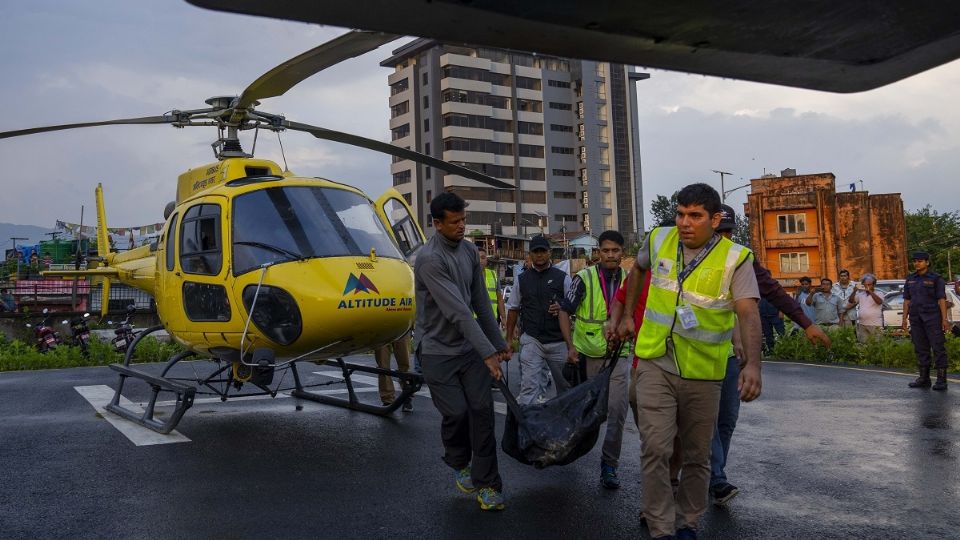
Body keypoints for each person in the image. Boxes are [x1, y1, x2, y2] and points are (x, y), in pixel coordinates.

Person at [616, 183, 763, 540]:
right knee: (656, 447)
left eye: (694, 216)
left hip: (703, 372)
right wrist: (625, 317)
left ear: (714, 220)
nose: (684, 222)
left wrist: (752, 366)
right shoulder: (659, 239)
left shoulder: (735, 258)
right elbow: (636, 270)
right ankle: (661, 527)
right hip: (654, 360)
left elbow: (748, 312)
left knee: (697, 455)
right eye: (680, 213)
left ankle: (687, 522)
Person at [707, 206, 831, 507]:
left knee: (727, 419)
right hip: (689, 358)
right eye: (718, 231)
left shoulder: (739, 258)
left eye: (728, 232)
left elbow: (774, 292)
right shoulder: (685, 259)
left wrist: (807, 323)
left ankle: (711, 471)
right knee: (705, 422)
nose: (724, 237)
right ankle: (715, 478)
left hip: (726, 355)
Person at [414, 192, 511, 511]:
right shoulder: (430, 259)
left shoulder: (469, 251)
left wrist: (498, 344)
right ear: (437, 224)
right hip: (437, 351)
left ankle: (489, 486)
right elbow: (457, 311)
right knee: (457, 413)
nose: (461, 227)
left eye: (463, 220)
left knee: (482, 413)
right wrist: (488, 353)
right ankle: (458, 460)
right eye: (454, 222)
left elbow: (480, 303)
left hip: (469, 350)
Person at [561, 229, 631, 489]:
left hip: (618, 354)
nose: (611, 255)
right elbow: (564, 312)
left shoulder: (630, 280)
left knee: (617, 411)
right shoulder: (584, 278)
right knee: (592, 413)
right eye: (606, 250)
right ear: (598, 252)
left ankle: (609, 466)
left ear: (622, 253)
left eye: (615, 250)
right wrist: (570, 347)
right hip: (588, 355)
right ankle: (568, 448)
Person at [504, 235, 573, 406]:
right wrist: (508, 340)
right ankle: (527, 428)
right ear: (530, 255)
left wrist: (562, 306)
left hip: (558, 342)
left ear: (549, 253)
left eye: (543, 251)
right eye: (536, 252)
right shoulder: (522, 279)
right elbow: (513, 309)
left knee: (566, 387)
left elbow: (574, 306)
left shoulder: (562, 278)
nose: (540, 255)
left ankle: (566, 425)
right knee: (528, 388)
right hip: (532, 340)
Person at [902, 251, 950, 391]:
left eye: (920, 261)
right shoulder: (910, 279)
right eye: (915, 261)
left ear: (927, 262)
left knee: (938, 347)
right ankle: (924, 378)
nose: (917, 263)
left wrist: (944, 319)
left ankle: (941, 379)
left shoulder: (936, 278)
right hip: (916, 318)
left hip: (933, 318)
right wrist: (904, 318)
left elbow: (941, 299)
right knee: (921, 348)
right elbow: (907, 300)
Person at [374, 333, 413, 411]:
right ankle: (387, 399)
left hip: (402, 328)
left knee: (404, 364)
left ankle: (406, 396)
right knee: (383, 367)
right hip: (380, 328)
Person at [847, 273, 884, 343]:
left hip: (875, 324)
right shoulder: (861, 294)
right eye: (865, 284)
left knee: (877, 345)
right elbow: (851, 301)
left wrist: (869, 291)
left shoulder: (879, 293)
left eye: (869, 284)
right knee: (864, 344)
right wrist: (854, 291)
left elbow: (879, 302)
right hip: (862, 324)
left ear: (874, 284)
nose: (867, 286)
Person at [478, 248, 506, 324]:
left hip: (492, 318)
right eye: (477, 258)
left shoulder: (493, 274)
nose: (480, 260)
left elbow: (499, 299)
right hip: (475, 320)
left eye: (483, 258)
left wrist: (503, 317)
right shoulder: (468, 275)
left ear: (486, 260)